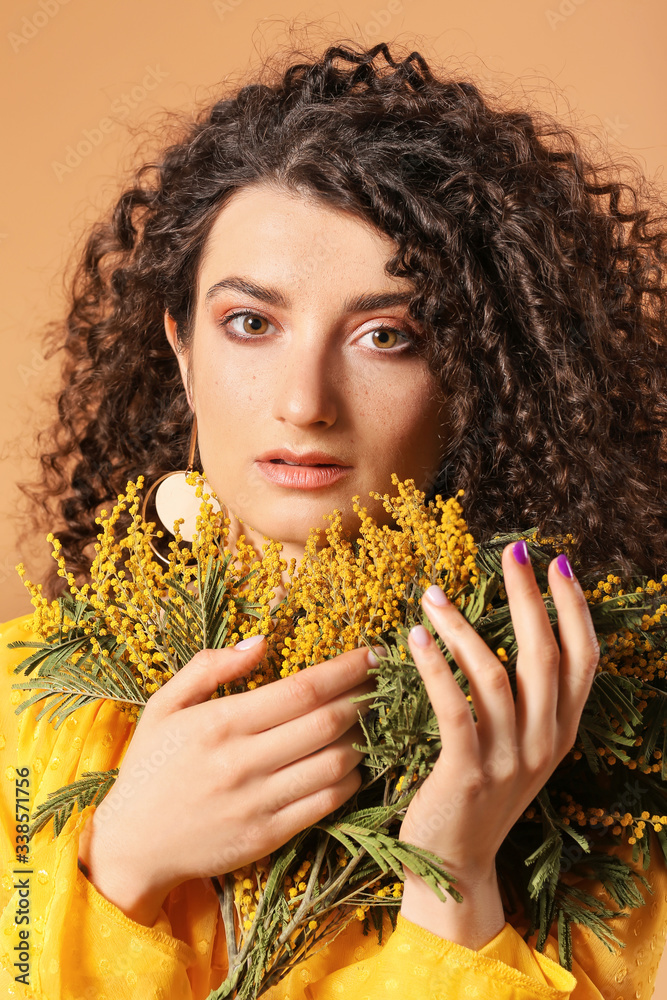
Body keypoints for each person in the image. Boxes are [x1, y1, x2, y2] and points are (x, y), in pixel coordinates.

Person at [2, 38, 667, 1000]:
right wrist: (123, 864)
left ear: (470, 377)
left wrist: (456, 882)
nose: (305, 401)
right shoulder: (33, 706)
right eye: (251, 323)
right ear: (181, 350)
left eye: (384, 336)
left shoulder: (611, 745)